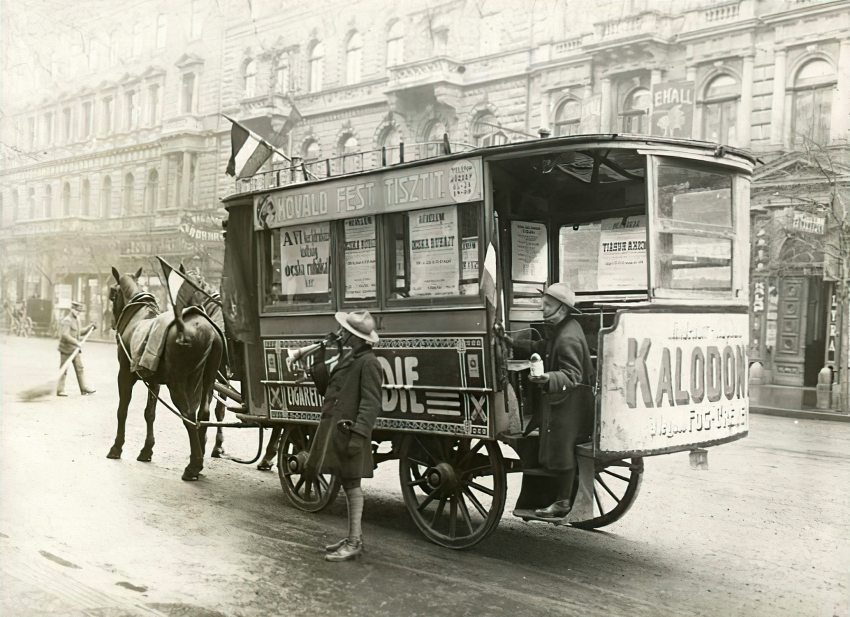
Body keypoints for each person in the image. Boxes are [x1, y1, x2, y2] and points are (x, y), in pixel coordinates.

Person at [509, 282, 595, 520]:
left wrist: (547, 377)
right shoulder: (564, 328)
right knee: (553, 445)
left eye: (547, 304)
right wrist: (512, 343)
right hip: (568, 400)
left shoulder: (567, 337)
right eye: (543, 303)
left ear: (561, 308)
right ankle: (557, 497)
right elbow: (543, 348)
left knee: (561, 449)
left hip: (570, 403)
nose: (542, 307)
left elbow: (572, 376)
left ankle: (562, 502)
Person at [303, 309, 381, 562]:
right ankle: (352, 537)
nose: (343, 334)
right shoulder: (354, 358)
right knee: (348, 484)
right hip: (343, 431)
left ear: (358, 338)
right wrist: (318, 359)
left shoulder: (369, 363)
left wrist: (359, 437)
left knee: (352, 485)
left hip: (351, 434)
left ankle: (354, 542)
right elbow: (333, 389)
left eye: (348, 332)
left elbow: (370, 405)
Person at [57, 301, 96, 397]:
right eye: (77, 310)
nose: (78, 313)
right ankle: (60, 390)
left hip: (75, 350)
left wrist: (90, 327)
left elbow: (80, 332)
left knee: (80, 369)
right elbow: (65, 335)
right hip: (66, 349)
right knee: (64, 370)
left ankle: (84, 389)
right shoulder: (67, 320)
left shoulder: (77, 320)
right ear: (72, 309)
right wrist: (76, 342)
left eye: (79, 311)